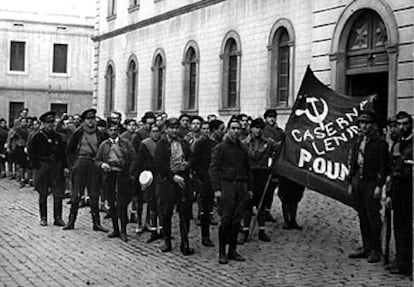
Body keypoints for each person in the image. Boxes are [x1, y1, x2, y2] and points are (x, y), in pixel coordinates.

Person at [209, 118, 253, 264]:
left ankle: (232, 250)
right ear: (228, 130)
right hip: (226, 186)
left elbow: (248, 169)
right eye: (233, 128)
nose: (236, 131)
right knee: (226, 220)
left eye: (238, 129)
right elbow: (213, 169)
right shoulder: (221, 147)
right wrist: (216, 190)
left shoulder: (243, 148)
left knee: (236, 220)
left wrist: (249, 188)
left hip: (241, 187)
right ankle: (222, 251)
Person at [348, 110, 389, 263]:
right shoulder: (358, 141)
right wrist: (351, 182)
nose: (363, 126)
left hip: (371, 183)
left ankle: (376, 250)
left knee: (373, 217)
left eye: (366, 123)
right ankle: (366, 247)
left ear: (373, 126)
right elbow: (352, 162)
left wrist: (379, 186)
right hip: (358, 181)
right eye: (361, 123)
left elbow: (383, 167)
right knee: (362, 215)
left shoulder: (380, 143)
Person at [63, 109, 108, 233]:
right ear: (84, 121)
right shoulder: (78, 133)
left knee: (94, 195)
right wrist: (73, 165)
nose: (91, 122)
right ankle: (71, 222)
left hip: (94, 165)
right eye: (88, 119)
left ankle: (96, 223)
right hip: (81, 164)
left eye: (93, 119)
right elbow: (69, 150)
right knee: (76, 194)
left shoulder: (99, 133)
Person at [154, 118, 194, 255]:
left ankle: (185, 242)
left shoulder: (183, 142)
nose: (175, 130)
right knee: (166, 212)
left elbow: (191, 157)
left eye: (177, 128)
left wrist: (187, 164)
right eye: (172, 128)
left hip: (182, 180)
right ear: (166, 129)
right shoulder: (162, 144)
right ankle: (167, 240)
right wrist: (172, 176)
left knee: (184, 212)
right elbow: (159, 164)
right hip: (168, 181)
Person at [96, 120, 136, 242]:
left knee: (122, 204)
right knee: (112, 203)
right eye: (111, 130)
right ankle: (115, 229)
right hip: (109, 176)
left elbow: (134, 158)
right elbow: (97, 160)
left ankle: (123, 230)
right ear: (108, 131)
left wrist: (130, 172)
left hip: (123, 175)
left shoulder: (126, 143)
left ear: (119, 131)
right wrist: (102, 164)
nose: (113, 132)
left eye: (115, 130)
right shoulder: (104, 145)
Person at [240, 118, 279, 243]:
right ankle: (245, 230)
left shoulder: (268, 142)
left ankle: (262, 231)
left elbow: (279, 148)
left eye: (261, 128)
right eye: (256, 127)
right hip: (249, 175)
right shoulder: (244, 143)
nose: (259, 130)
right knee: (247, 205)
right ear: (251, 128)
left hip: (263, 175)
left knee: (261, 204)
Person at [190, 119, 225, 247]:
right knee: (205, 209)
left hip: (219, 180)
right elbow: (194, 162)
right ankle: (205, 236)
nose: (223, 132)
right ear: (214, 130)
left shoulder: (222, 144)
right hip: (205, 180)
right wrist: (202, 178)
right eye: (221, 129)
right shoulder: (202, 143)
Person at [28, 111, 66, 226]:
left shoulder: (57, 136)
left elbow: (62, 153)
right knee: (43, 192)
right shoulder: (38, 136)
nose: (51, 125)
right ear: (43, 123)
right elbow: (31, 152)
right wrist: (37, 166)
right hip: (43, 166)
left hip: (55, 166)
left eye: (52, 122)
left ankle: (58, 218)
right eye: (48, 123)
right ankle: (43, 217)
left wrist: (63, 166)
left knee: (58, 192)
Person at [386, 111, 412, 275]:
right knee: (399, 226)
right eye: (399, 124)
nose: (402, 127)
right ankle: (401, 259)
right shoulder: (398, 142)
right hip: (398, 189)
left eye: (405, 124)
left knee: (407, 227)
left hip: (409, 188)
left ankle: (407, 263)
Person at [133, 124, 162, 243]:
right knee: (144, 200)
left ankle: (152, 223)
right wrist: (139, 177)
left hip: (159, 175)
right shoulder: (145, 144)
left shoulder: (163, 143)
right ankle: (141, 222)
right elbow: (139, 160)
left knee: (156, 201)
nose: (155, 134)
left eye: (157, 131)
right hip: (147, 174)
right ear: (150, 133)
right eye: (153, 131)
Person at [262, 109, 284, 222]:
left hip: (276, 162)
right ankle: (261, 209)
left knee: (271, 187)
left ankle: (267, 210)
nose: (272, 119)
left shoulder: (280, 131)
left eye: (274, 117)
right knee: (264, 187)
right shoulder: (263, 130)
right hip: (265, 162)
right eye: (269, 117)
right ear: (265, 118)